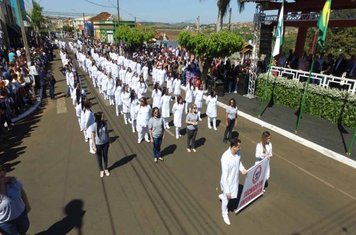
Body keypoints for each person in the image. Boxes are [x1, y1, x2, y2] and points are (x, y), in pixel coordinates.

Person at [219, 138, 248, 225]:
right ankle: (224, 214)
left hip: (235, 181)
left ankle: (223, 195)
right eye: (238, 147)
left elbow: (239, 162)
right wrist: (227, 190)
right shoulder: (225, 158)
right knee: (226, 200)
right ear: (233, 147)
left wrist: (242, 169)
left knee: (229, 196)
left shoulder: (238, 153)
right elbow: (225, 176)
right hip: (227, 182)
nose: (240, 148)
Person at [0, 166, 31, 235]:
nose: (1, 172)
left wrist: (27, 204)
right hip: (6, 223)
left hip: (21, 215)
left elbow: (21, 191)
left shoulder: (13, 182)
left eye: (1, 169)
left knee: (24, 230)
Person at [91, 112, 111, 178]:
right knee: (99, 157)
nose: (103, 117)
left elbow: (107, 132)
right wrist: (94, 145)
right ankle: (101, 170)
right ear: (98, 118)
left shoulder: (104, 123)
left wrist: (109, 141)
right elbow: (93, 136)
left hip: (105, 143)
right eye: (102, 116)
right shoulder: (94, 126)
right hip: (98, 144)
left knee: (105, 156)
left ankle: (106, 169)